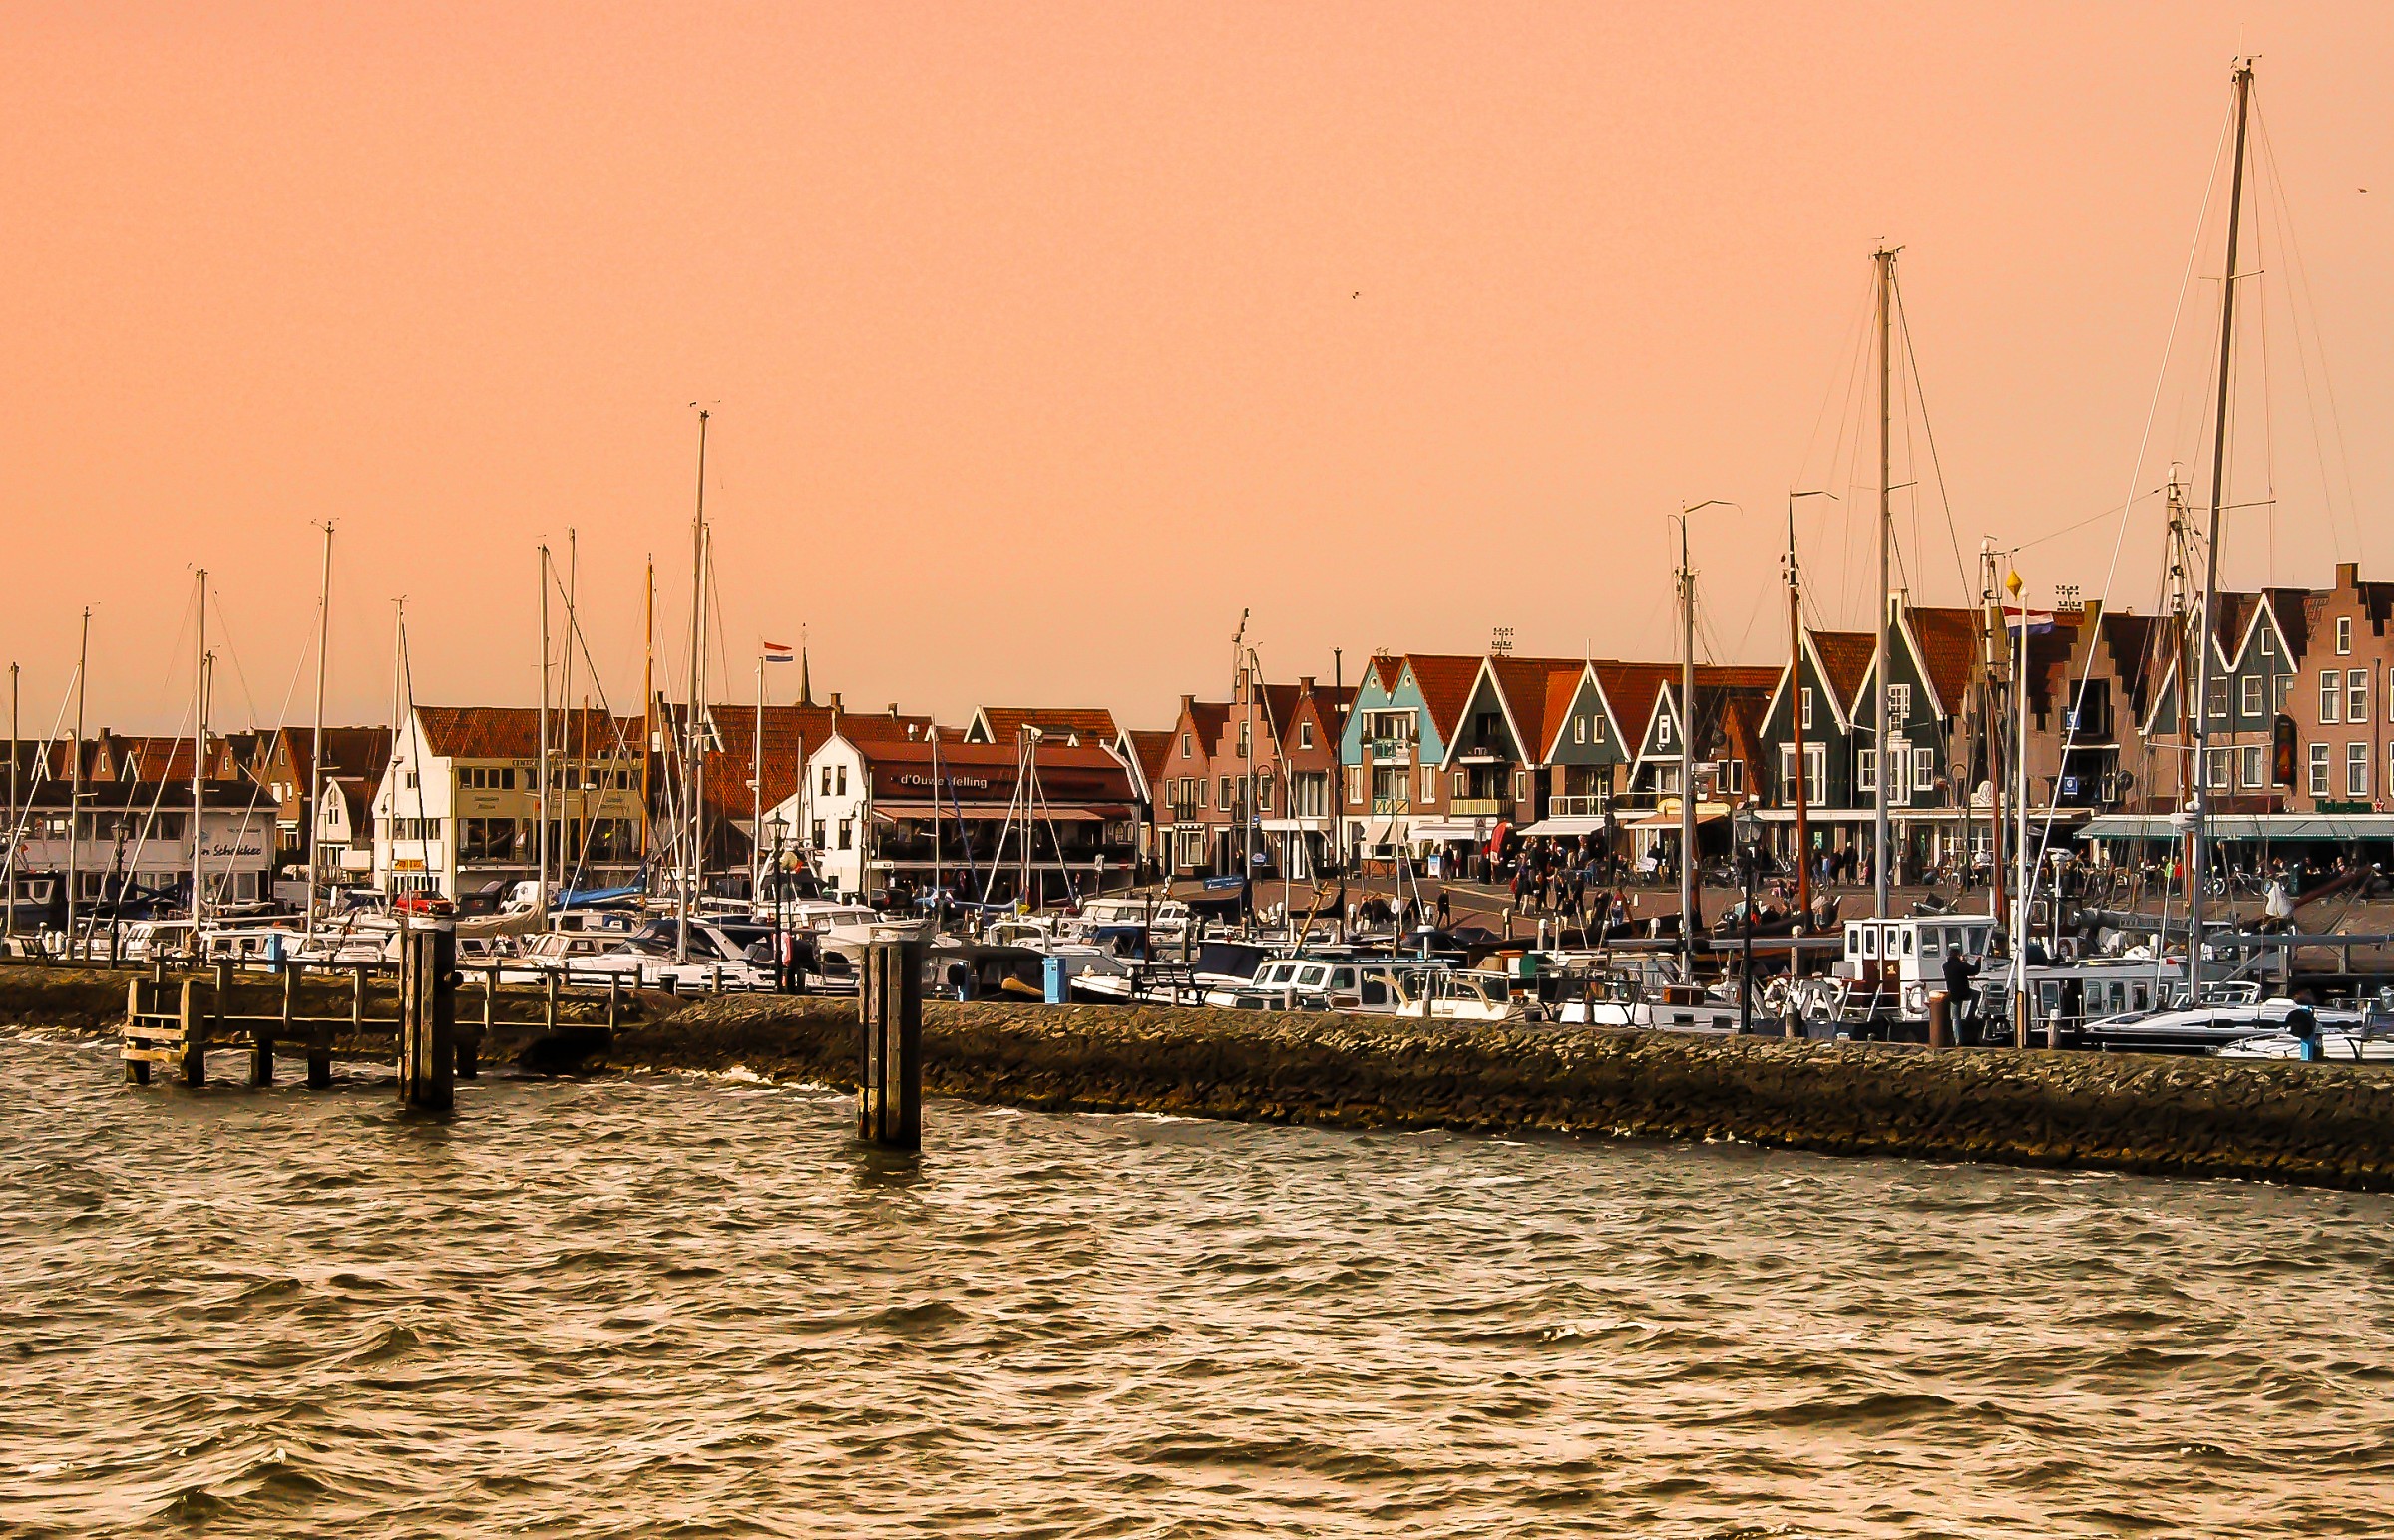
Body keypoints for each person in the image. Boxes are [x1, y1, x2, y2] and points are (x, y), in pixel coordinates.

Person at [1942, 945, 1980, 1039]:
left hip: (1953, 994)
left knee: (1955, 1018)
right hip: (1964, 992)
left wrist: (1961, 961)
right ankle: (1970, 1016)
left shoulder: (1945, 966)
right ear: (1958, 955)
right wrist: (1978, 961)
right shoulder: (1961, 965)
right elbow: (1974, 971)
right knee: (1977, 994)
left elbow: (1958, 968)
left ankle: (1958, 1039)